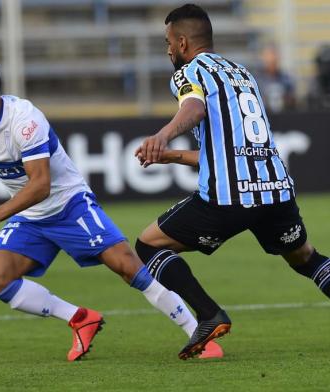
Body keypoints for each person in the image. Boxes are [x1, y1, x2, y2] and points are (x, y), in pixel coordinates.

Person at [0, 60, 202, 362]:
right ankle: (79, 319)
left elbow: (40, 185)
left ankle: (196, 331)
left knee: (128, 267)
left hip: (69, 205)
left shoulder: (25, 121)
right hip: (32, 216)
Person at [135, 4, 330, 360]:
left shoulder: (188, 72)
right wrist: (175, 156)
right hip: (275, 189)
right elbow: (230, 150)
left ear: (181, 42)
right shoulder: (243, 73)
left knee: (148, 245)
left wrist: (163, 136)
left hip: (229, 199)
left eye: (167, 42)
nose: (167, 50)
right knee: (306, 258)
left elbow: (193, 109)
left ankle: (208, 315)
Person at [255, 44, 296, 113]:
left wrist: (285, 99)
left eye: (273, 55)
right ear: (263, 57)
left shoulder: (286, 79)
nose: (271, 59)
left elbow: (293, 100)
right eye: (268, 55)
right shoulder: (257, 80)